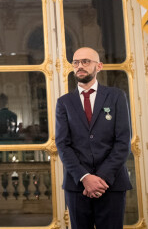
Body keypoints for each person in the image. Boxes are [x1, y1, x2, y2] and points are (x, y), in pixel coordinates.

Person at [55, 47, 132, 229]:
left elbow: (123, 142)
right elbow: (63, 145)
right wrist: (85, 177)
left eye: (85, 62)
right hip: (77, 185)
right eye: (76, 62)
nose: (80, 66)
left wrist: (101, 178)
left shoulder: (116, 96)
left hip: (111, 184)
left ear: (99, 66)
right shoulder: (64, 102)